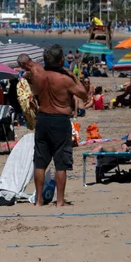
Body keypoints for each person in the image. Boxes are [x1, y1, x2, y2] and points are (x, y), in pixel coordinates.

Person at [26, 44, 88, 207]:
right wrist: (73, 76)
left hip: (43, 119)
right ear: (61, 60)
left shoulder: (38, 75)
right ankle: (59, 201)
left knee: (40, 162)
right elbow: (83, 93)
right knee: (61, 163)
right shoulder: (65, 79)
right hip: (60, 120)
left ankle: (39, 200)